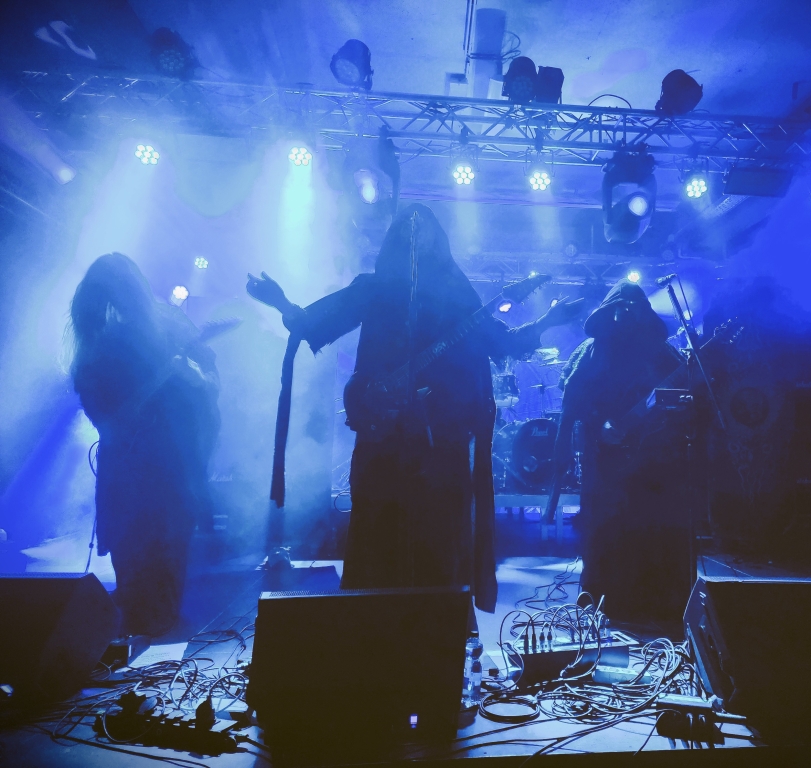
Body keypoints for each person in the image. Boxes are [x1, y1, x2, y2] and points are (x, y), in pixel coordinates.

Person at [247, 204, 581, 613]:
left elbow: (503, 342)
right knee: (378, 537)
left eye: (424, 229)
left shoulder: (458, 298)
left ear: (438, 241)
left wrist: (549, 320)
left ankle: (438, 631)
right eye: (407, 227)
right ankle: (372, 631)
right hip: (382, 437)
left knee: (438, 543)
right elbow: (314, 323)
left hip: (440, 444)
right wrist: (280, 301)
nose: (416, 234)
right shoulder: (375, 288)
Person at [69, 253, 220, 636]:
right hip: (131, 484)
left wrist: (192, 376)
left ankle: (153, 647)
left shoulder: (167, 326)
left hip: (168, 481)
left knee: (161, 595)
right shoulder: (97, 348)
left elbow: (209, 390)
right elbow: (109, 423)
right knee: (139, 594)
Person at [546, 279, 691, 622]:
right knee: (601, 525)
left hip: (651, 457)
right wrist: (563, 452)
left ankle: (647, 603)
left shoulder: (659, 352)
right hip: (603, 455)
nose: (627, 315)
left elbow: (683, 387)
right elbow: (570, 405)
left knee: (647, 523)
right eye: (621, 309)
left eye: (634, 309)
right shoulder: (592, 351)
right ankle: (598, 599)